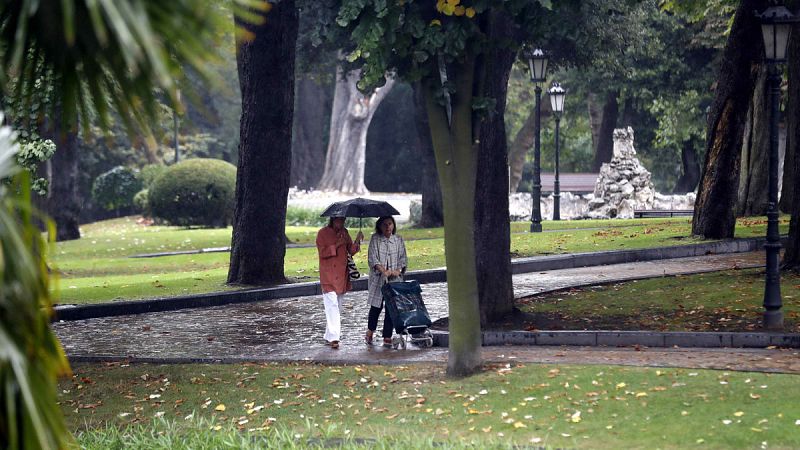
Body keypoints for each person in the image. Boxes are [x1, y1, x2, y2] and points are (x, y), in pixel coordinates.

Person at [316, 216, 363, 349]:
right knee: (332, 305)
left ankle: (328, 335)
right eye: (339, 220)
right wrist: (336, 244)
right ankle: (334, 337)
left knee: (337, 306)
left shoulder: (344, 232)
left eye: (343, 220)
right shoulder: (322, 233)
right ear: (333, 220)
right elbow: (322, 252)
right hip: (328, 275)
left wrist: (357, 241)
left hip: (342, 274)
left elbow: (351, 250)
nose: (341, 222)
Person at [366, 215, 407, 347]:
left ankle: (387, 335)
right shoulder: (375, 239)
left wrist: (397, 271)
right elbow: (373, 258)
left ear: (393, 225)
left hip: (394, 280)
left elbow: (403, 259)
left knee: (391, 308)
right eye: (384, 224)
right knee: (376, 307)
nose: (388, 227)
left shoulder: (398, 239)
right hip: (379, 279)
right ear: (379, 226)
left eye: (390, 224)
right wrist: (383, 270)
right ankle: (370, 330)